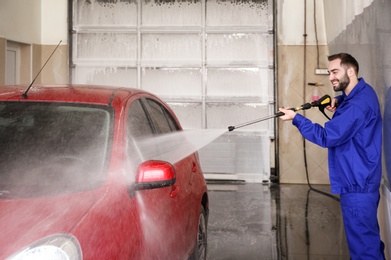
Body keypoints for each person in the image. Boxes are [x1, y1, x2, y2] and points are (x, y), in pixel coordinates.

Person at [279, 53, 385, 259]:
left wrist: (296, 118)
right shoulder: (363, 92)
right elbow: (350, 100)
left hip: (357, 186)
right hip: (363, 181)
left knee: (364, 250)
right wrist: (338, 100)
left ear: (351, 71)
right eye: (329, 73)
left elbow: (327, 136)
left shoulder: (356, 106)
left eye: (335, 71)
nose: (331, 77)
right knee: (369, 242)